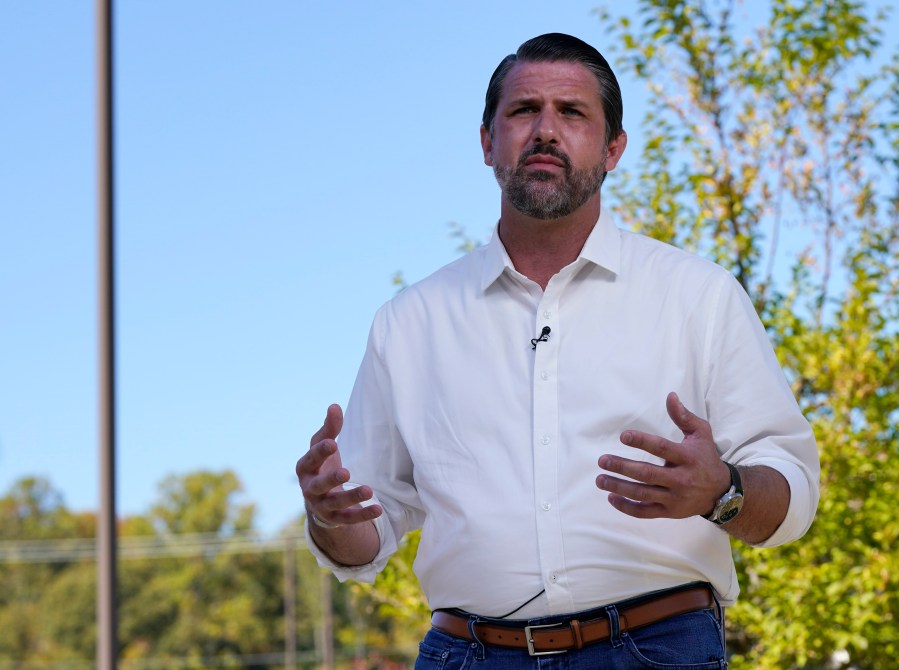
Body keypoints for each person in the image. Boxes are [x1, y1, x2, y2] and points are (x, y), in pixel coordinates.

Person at [297, 33, 819, 668]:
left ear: (613, 148)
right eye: (524, 110)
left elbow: (792, 496)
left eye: (572, 113)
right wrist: (328, 516)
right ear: (487, 142)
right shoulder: (408, 323)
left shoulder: (698, 296)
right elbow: (363, 536)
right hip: (466, 655)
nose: (545, 130)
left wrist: (722, 491)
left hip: (658, 650)